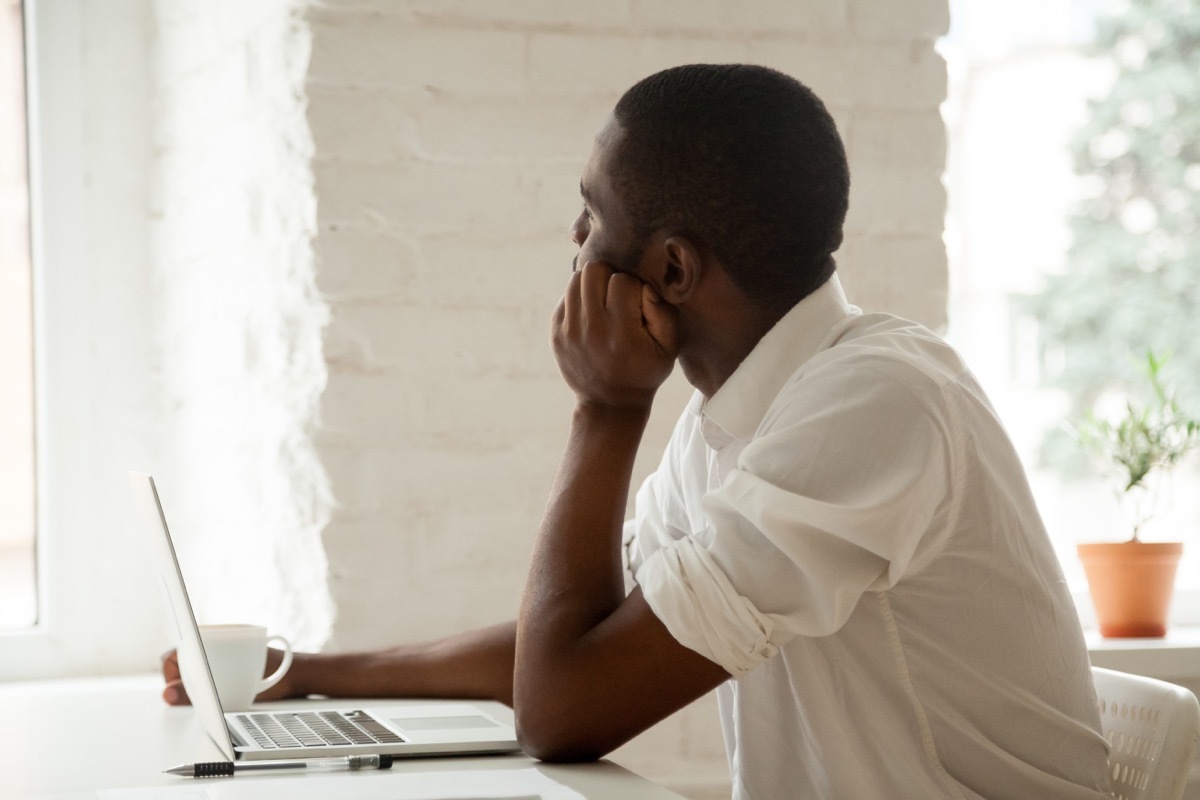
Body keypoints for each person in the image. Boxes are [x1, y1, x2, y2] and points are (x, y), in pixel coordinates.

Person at [163, 64, 1113, 798]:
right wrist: (312, 673)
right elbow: (585, 646)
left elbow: (563, 709)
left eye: (591, 213)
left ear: (670, 268)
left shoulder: (877, 405)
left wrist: (606, 411)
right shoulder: (739, 414)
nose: (574, 240)